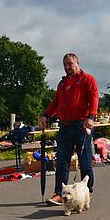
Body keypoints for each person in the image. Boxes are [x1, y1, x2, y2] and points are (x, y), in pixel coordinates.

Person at [39, 53, 99, 207]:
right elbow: (57, 102)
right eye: (65, 64)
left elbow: (94, 98)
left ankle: (87, 191)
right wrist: (46, 115)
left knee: (85, 162)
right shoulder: (62, 83)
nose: (67, 67)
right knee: (62, 162)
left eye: (70, 64)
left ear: (77, 63)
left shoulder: (87, 79)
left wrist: (91, 117)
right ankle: (60, 194)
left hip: (82, 125)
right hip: (65, 126)